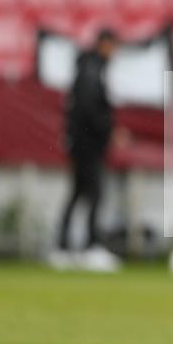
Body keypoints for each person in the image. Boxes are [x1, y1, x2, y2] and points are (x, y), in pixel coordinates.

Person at [51, 29, 123, 273]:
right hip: (87, 144)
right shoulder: (92, 72)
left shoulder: (88, 69)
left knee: (78, 193)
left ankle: (63, 247)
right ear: (104, 44)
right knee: (94, 193)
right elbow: (90, 109)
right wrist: (108, 131)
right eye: (113, 46)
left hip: (81, 142)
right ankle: (89, 246)